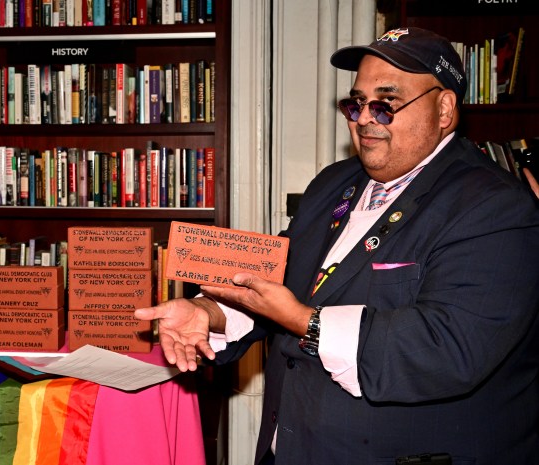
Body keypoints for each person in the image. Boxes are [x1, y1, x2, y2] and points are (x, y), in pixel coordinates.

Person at [135, 27, 539, 465]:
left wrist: (302, 321)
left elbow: (447, 350)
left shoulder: (496, 207)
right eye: (356, 102)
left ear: (443, 109)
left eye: (386, 102)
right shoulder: (333, 183)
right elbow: (280, 276)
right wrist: (208, 312)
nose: (365, 118)